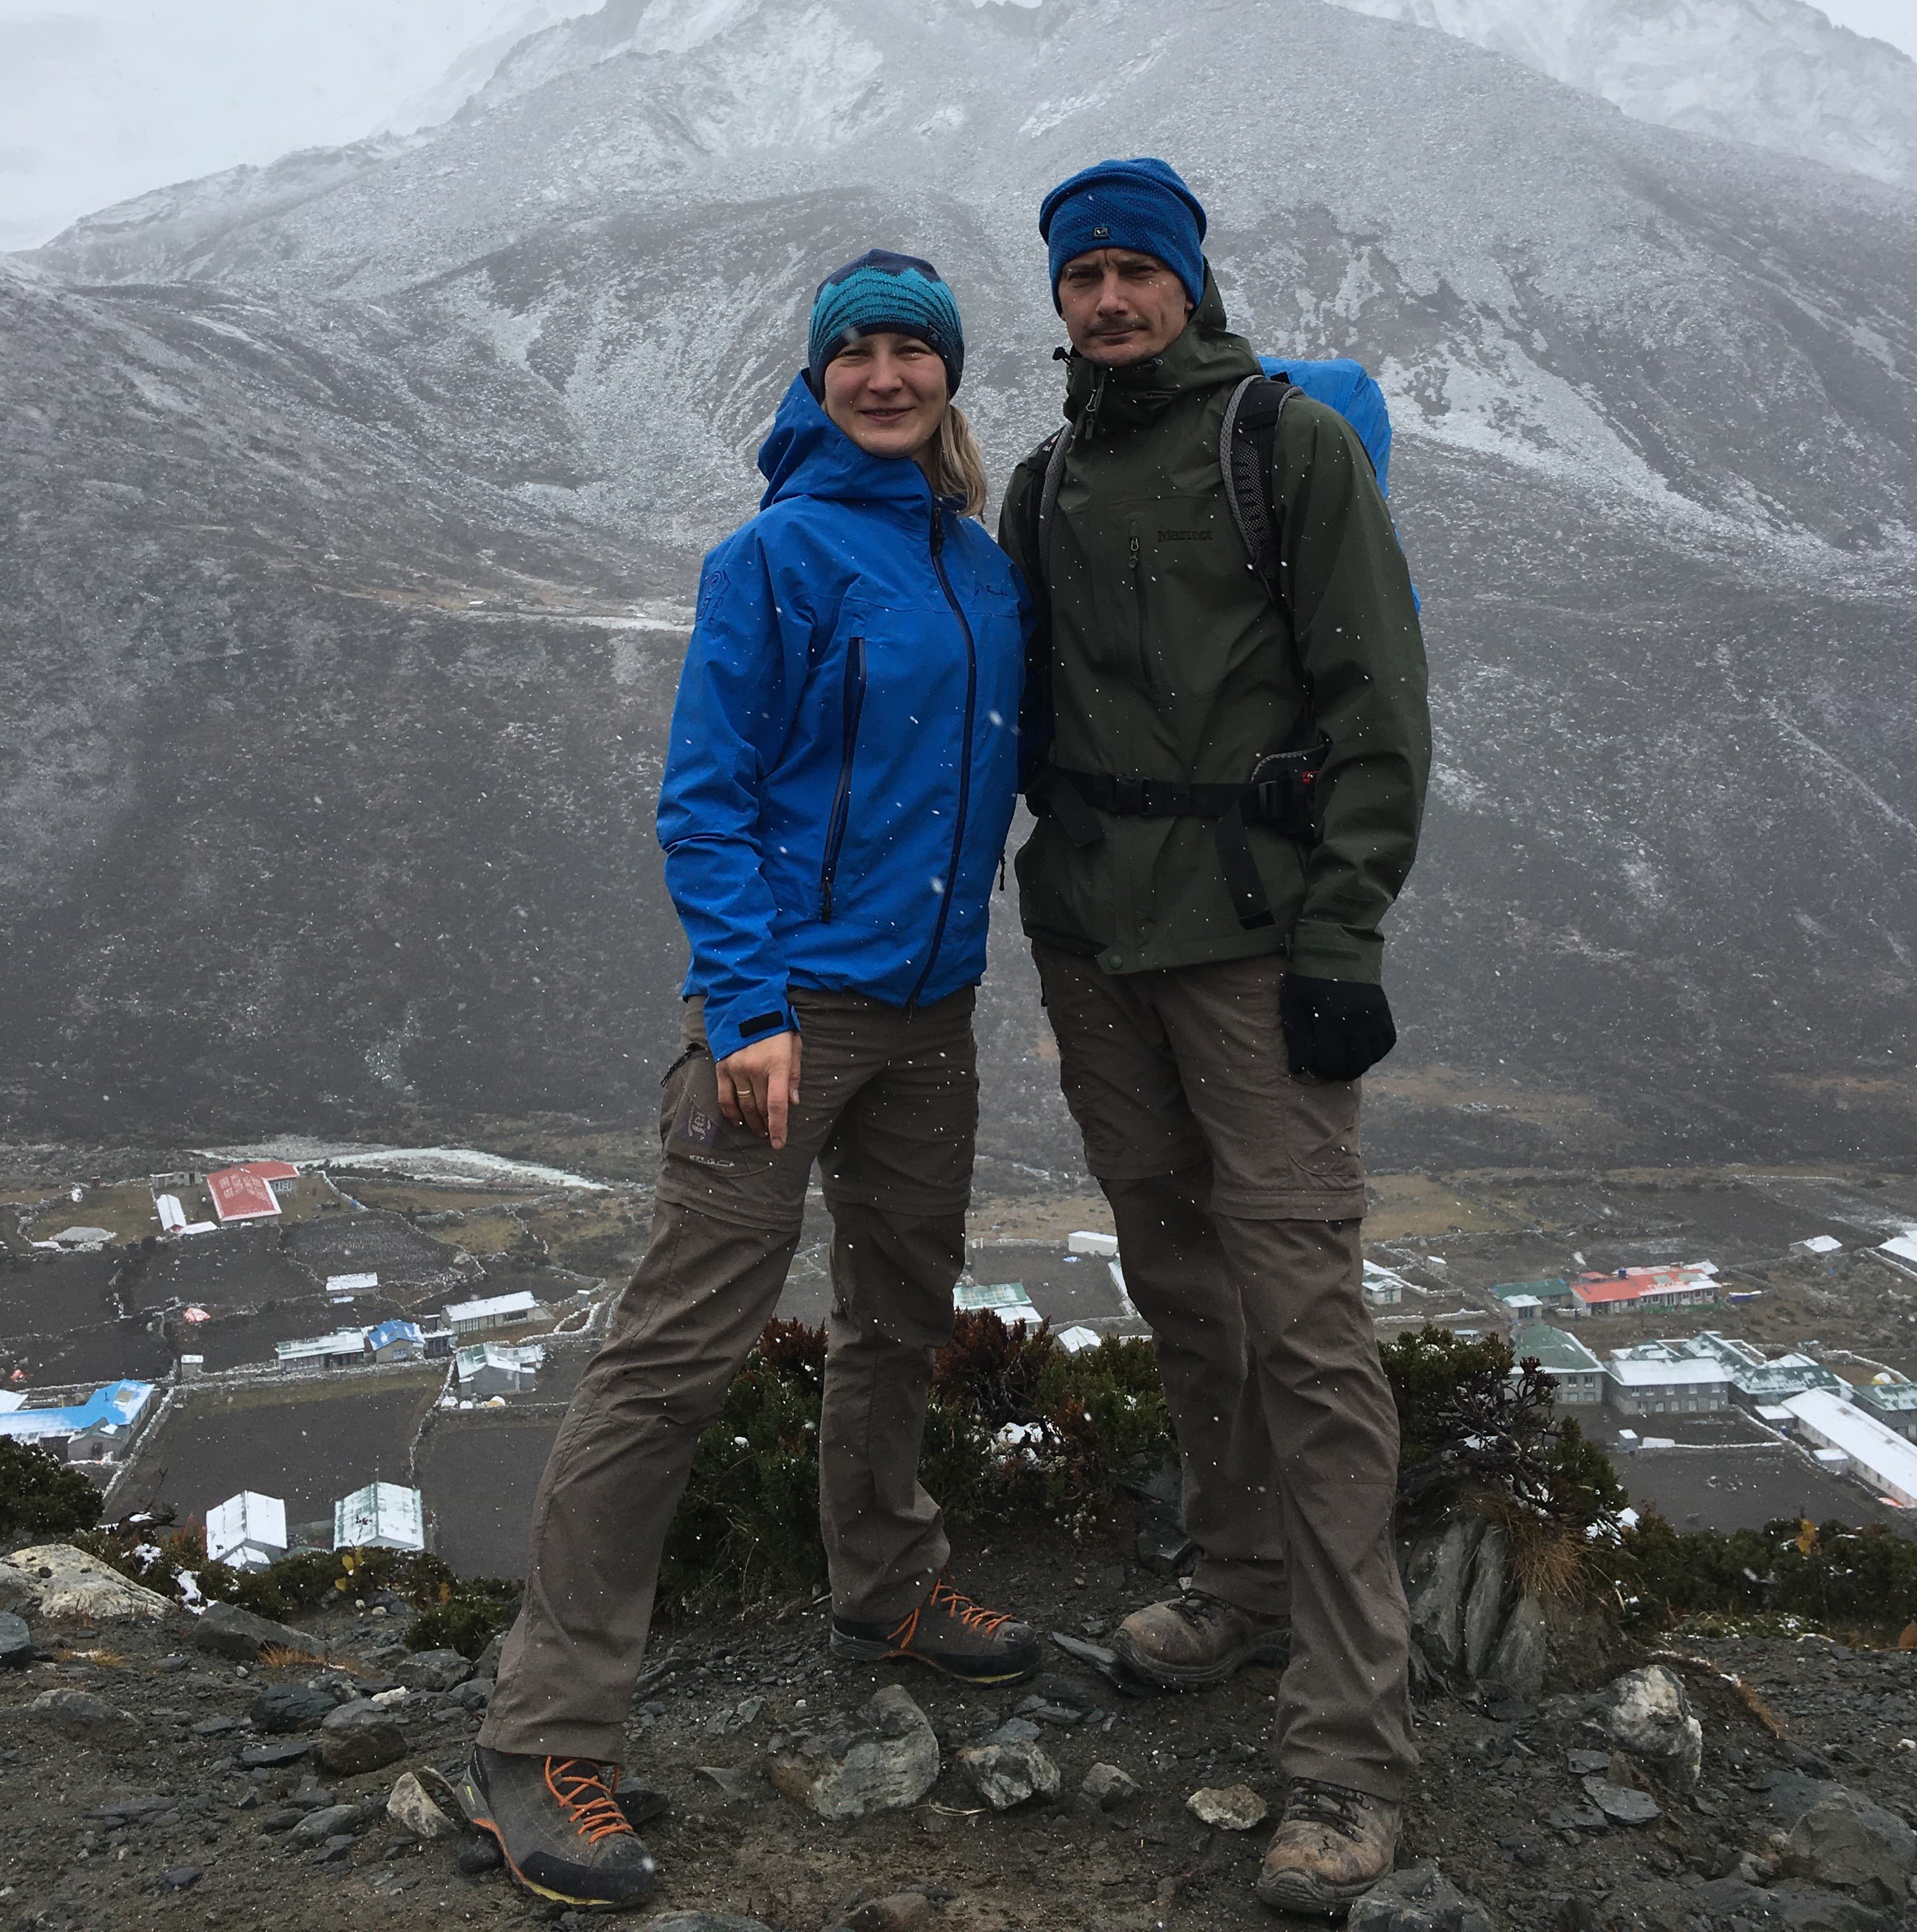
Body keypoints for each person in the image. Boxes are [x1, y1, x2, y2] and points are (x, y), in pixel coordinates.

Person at [462, 249, 1040, 1910]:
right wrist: (748, 1007)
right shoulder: (774, 558)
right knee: (675, 1355)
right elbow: (704, 800)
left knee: (897, 1314)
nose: (881, 377)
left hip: (933, 1018)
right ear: (817, 376)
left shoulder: (976, 567)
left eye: (908, 353)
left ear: (946, 376)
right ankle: (542, 1736)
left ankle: (887, 1590)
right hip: (793, 1024)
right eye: (852, 353)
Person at [998, 159, 1431, 1917]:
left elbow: (1376, 706)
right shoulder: (1047, 481)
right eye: (1083, 276)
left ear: (1188, 282)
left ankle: (1349, 1744)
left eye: (1134, 273)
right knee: (1179, 1286)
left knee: (1308, 1323)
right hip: (1098, 945)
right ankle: (1239, 1582)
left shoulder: (1284, 446)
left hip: (1255, 959)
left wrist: (1344, 931)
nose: (1108, 301)